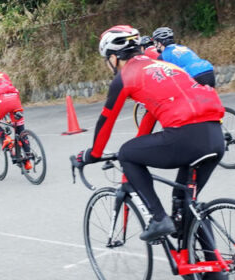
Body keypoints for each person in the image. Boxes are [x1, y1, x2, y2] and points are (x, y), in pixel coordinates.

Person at [72, 25, 227, 249]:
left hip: (185, 136)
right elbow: (150, 115)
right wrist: (140, 144)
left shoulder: (125, 77)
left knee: (126, 153)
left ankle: (158, 218)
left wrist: (93, 154)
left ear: (114, 58)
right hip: (214, 135)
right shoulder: (164, 64)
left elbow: (106, 120)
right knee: (185, 203)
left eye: (107, 60)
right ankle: (213, 273)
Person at [151, 27, 216, 87]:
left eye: (155, 42)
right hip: (208, 69)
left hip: (194, 75)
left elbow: (164, 77)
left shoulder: (162, 56)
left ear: (159, 43)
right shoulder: (183, 47)